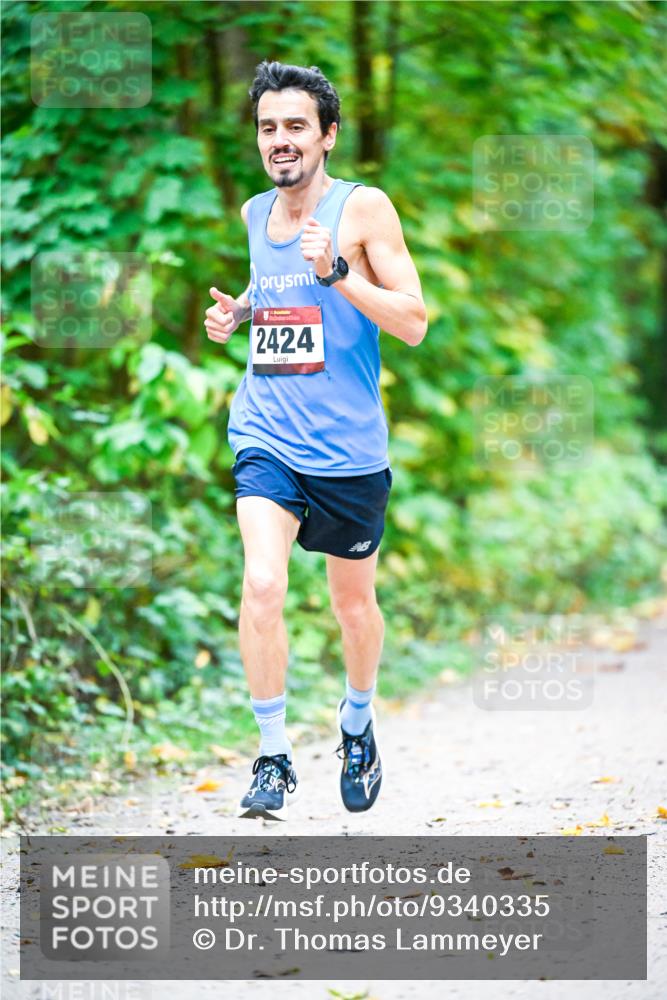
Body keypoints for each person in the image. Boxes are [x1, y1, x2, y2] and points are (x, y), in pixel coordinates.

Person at [204, 60, 426, 820]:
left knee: (352, 608)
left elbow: (412, 321)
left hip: (349, 450)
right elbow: (279, 298)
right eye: (268, 127)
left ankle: (356, 724)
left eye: (296, 126)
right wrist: (240, 312)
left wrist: (337, 272)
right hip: (266, 430)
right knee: (263, 585)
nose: (280, 140)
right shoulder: (252, 213)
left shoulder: (364, 209)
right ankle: (272, 758)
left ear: (327, 135)